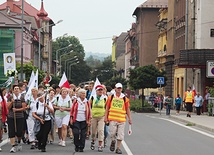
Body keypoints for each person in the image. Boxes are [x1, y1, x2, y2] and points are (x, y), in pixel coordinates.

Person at [104, 83, 132, 154]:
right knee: (112, 133)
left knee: (120, 134)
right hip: (112, 118)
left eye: (120, 88)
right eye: (118, 88)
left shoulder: (125, 98)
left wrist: (129, 118)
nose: (119, 89)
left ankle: (118, 148)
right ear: (115, 89)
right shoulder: (111, 97)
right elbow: (107, 107)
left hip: (121, 119)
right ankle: (113, 141)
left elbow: (127, 109)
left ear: (122, 89)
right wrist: (105, 117)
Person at [7, 85, 26, 153]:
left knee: (19, 131)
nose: (16, 90)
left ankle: (19, 141)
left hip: (20, 116)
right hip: (11, 116)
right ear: (13, 90)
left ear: (19, 90)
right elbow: (8, 107)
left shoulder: (22, 97)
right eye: (15, 89)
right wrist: (12, 102)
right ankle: (13, 146)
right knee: (11, 131)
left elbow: (24, 108)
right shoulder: (10, 97)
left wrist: (17, 110)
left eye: (17, 89)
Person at [90, 85, 106, 152]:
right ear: (96, 91)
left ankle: (100, 145)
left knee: (101, 131)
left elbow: (107, 107)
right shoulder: (93, 98)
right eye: (99, 90)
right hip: (94, 116)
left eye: (101, 90)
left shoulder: (105, 98)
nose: (100, 91)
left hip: (102, 116)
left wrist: (106, 116)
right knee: (93, 132)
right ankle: (93, 141)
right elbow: (89, 106)